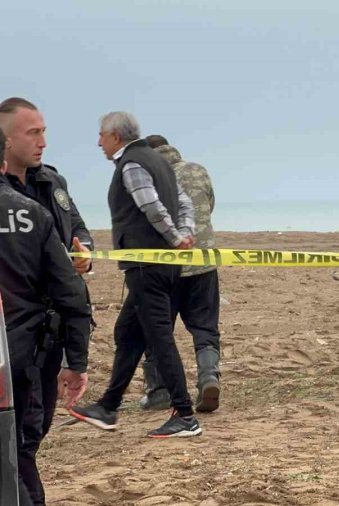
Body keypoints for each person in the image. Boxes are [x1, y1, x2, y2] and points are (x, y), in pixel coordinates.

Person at [69, 111, 202, 438]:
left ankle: (185, 414)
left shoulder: (131, 164)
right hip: (159, 266)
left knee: (159, 338)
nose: (98, 142)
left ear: (116, 136)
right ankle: (108, 406)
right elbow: (185, 203)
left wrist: (176, 238)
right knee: (128, 332)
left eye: (101, 135)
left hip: (148, 268)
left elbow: (151, 206)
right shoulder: (160, 163)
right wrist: (185, 233)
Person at [0, 97, 94, 506]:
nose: (42, 142)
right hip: (18, 333)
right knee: (19, 441)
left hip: (48, 334)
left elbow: (78, 229)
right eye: (32, 133)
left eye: (44, 132)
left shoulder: (52, 184)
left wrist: (84, 253)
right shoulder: (16, 202)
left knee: (31, 436)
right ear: (6, 141)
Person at [138, 134, 222, 413]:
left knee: (158, 330)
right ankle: (208, 377)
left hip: (164, 267)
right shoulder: (198, 170)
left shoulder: (147, 179)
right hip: (203, 263)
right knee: (205, 328)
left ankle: (159, 390)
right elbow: (209, 206)